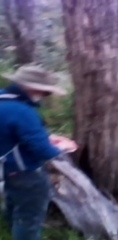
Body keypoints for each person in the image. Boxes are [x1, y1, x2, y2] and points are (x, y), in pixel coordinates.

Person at [0, 65, 77, 240]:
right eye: (45, 92)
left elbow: (10, 134)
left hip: (7, 168)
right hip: (26, 171)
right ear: (32, 88)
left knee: (14, 203)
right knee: (30, 217)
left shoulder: (2, 100)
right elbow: (44, 151)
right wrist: (61, 147)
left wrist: (42, 136)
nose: (44, 96)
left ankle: (10, 229)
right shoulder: (22, 111)